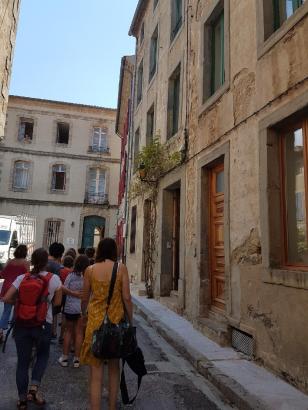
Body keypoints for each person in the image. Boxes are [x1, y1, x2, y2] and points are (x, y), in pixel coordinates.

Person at [2, 248, 62, 409]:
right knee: (42, 356)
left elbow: (6, 298)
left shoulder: (22, 278)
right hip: (43, 324)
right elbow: (57, 303)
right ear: (46, 263)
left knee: (22, 362)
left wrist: (21, 304)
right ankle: (34, 389)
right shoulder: (54, 279)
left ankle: (22, 400)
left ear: (33, 261)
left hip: (22, 324)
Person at [80, 238, 133, 410]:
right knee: (113, 368)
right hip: (115, 324)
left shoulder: (90, 270)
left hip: (95, 323)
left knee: (95, 373)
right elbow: (126, 297)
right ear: (114, 251)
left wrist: (83, 314)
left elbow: (85, 297)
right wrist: (130, 320)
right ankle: (111, 407)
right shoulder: (121, 268)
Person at [58, 255, 90, 368]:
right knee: (80, 333)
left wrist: (73, 293)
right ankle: (77, 359)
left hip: (70, 308)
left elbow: (63, 288)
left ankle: (65, 358)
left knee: (68, 332)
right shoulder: (88, 277)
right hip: (83, 308)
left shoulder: (71, 275)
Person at [0, 244, 29, 343]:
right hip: (18, 289)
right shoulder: (26, 263)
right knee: (17, 310)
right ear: (25, 252)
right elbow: (27, 277)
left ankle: (1, 332)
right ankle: (14, 331)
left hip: (7, 288)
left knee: (6, 311)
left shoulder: (10, 261)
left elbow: (2, 274)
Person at [46, 242, 64, 339]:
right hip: (53, 295)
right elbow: (60, 283)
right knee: (53, 313)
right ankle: (52, 332)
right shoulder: (58, 267)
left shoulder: (43, 261)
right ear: (60, 254)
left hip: (41, 294)